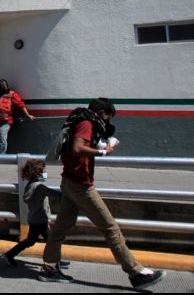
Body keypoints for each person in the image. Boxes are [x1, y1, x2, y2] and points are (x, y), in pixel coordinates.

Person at [38, 98, 165, 290]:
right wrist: (104, 151)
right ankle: (135, 272)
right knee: (110, 228)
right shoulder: (87, 123)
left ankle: (49, 267)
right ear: (100, 112)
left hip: (70, 182)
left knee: (61, 227)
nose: (107, 122)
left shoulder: (80, 120)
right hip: (81, 186)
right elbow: (77, 148)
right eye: (107, 117)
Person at [2, 159, 69, 267]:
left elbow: (42, 182)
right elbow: (56, 194)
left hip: (34, 219)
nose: (45, 172)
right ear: (39, 173)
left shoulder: (30, 185)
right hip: (41, 220)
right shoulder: (40, 187)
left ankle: (9, 255)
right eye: (44, 171)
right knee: (51, 241)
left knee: (30, 241)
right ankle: (55, 261)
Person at [0, 79, 34, 154]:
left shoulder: (12, 94)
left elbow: (21, 105)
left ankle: (1, 157)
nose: (2, 86)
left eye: (4, 84)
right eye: (0, 85)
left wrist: (28, 115)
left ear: (7, 85)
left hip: (5, 122)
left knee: (2, 141)